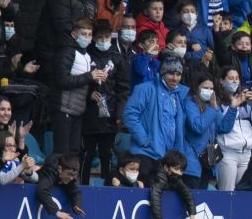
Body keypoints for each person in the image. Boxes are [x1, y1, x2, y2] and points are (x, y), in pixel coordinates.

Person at [122, 55, 187, 185]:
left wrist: (177, 152)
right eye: (171, 73)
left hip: (165, 156)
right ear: (163, 73)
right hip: (145, 153)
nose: (175, 78)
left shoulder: (179, 95)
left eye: (178, 74)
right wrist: (144, 139)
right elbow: (129, 114)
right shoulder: (146, 88)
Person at [81, 20, 130, 185]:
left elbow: (123, 89)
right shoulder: (85, 54)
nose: (103, 41)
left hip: (110, 116)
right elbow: (77, 81)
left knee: (107, 155)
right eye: (100, 37)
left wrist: (119, 113)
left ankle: (107, 189)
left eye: (106, 37)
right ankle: (83, 187)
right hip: (88, 114)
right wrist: (88, 93)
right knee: (86, 154)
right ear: (93, 37)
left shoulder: (117, 58)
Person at [50, 17, 105, 155]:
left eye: (89, 34)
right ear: (74, 34)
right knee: (62, 152)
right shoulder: (66, 52)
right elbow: (61, 80)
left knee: (74, 151)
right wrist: (90, 76)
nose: (87, 37)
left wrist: (91, 91)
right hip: (64, 108)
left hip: (78, 110)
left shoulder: (86, 56)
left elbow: (81, 83)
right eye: (83, 34)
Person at [214, 67, 252, 190]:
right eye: (231, 78)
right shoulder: (217, 100)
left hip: (247, 153)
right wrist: (234, 105)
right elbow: (222, 126)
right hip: (227, 153)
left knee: (244, 192)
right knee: (227, 191)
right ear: (221, 81)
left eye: (237, 78)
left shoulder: (246, 101)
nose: (234, 81)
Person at [181, 75, 237, 189]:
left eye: (212, 89)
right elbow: (198, 127)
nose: (210, 91)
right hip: (192, 162)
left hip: (208, 160)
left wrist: (233, 108)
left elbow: (223, 128)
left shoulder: (211, 106)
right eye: (206, 88)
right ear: (196, 88)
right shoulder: (189, 104)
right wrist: (213, 108)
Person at [149, 150, 198, 219]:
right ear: (167, 167)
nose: (179, 173)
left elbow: (187, 194)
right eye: (176, 169)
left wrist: (192, 214)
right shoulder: (159, 176)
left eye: (181, 170)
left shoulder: (175, 178)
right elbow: (155, 195)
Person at [35, 153, 83, 219]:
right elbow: (42, 191)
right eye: (69, 174)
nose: (71, 178)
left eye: (74, 175)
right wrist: (56, 212)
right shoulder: (49, 172)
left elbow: (76, 192)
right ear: (60, 169)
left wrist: (76, 205)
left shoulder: (70, 178)